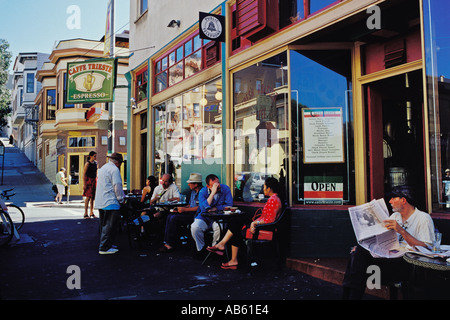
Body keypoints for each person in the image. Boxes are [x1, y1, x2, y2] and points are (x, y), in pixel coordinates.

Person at [342, 185, 435, 299]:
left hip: (407, 265)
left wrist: (401, 231)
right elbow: (384, 238)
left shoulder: (423, 218)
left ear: (403, 200)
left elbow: (427, 246)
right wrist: (367, 245)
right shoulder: (395, 216)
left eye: (393, 198)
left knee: (357, 266)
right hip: (389, 259)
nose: (390, 201)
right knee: (358, 254)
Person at [206, 177, 282, 269]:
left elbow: (270, 220)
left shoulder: (273, 199)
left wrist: (254, 223)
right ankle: (227, 252)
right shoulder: (274, 198)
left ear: (269, 189)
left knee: (235, 225)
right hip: (264, 226)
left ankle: (226, 250)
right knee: (235, 224)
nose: (263, 189)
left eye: (264, 186)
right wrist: (255, 222)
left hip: (264, 228)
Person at [158, 173, 203, 252]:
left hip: (196, 216)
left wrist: (184, 210)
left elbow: (200, 208)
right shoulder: (193, 192)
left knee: (174, 218)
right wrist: (182, 208)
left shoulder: (202, 192)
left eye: (190, 183)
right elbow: (191, 205)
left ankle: (170, 244)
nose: (188, 184)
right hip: (190, 213)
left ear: (196, 184)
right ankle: (167, 242)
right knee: (170, 216)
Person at [190, 174, 233, 256]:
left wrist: (216, 208)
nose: (218, 186)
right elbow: (203, 208)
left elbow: (229, 205)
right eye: (214, 185)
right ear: (208, 186)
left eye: (218, 183)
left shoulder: (225, 189)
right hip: (205, 218)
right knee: (195, 227)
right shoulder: (203, 191)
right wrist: (212, 193)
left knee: (219, 227)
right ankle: (201, 250)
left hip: (219, 217)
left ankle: (214, 249)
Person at [94, 152, 125, 255]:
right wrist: (121, 199)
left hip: (101, 201)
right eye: (120, 163)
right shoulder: (115, 170)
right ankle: (104, 247)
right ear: (117, 162)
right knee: (110, 226)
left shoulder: (103, 168)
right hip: (110, 201)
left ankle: (107, 244)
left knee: (103, 225)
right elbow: (117, 185)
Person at [82, 151, 97, 219]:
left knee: (93, 198)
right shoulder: (87, 163)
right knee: (88, 197)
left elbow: (96, 173)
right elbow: (84, 173)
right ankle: (85, 213)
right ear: (90, 156)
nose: (95, 157)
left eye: (95, 156)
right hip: (88, 180)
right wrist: (84, 183)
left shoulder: (96, 163)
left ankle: (92, 212)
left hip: (94, 180)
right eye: (94, 156)